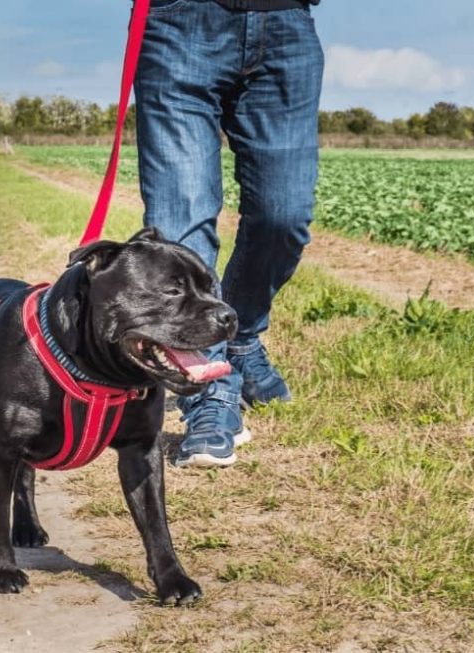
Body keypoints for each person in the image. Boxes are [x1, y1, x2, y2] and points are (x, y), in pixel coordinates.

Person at [134, 0, 324, 467]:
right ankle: (209, 390)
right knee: (182, 227)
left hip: (286, 25)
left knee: (284, 217)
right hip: (179, 24)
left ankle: (241, 335)